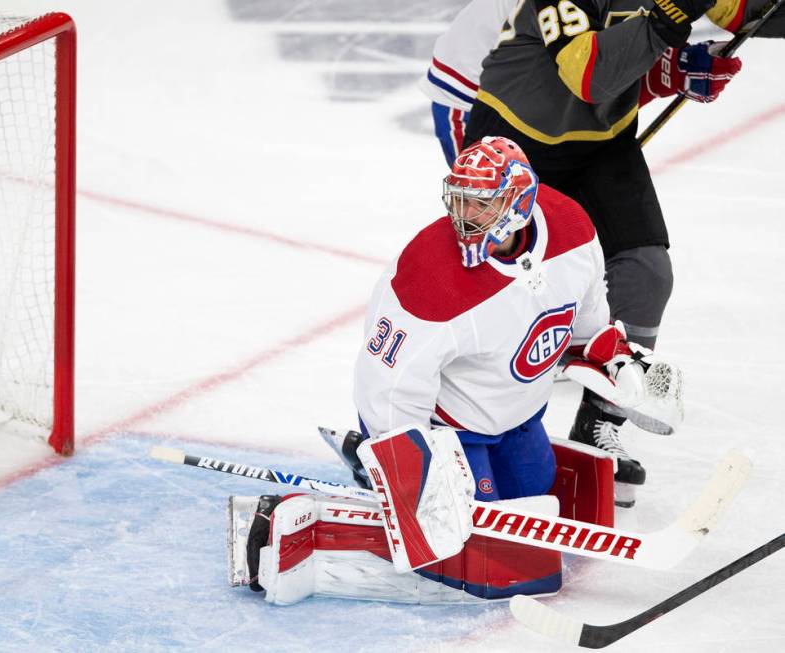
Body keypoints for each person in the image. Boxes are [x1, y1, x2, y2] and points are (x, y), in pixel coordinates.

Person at [236, 137, 678, 605]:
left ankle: (384, 471)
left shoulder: (570, 228)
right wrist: (409, 470)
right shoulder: (430, 278)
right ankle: (357, 482)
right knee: (475, 539)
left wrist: (614, 359)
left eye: (480, 204)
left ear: (519, 202)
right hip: (450, 428)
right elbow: (386, 387)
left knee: (534, 494)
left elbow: (583, 326)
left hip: (519, 416)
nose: (464, 216)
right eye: (460, 200)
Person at [422, 0, 783, 505]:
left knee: (647, 274)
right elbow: (587, 74)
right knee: (499, 284)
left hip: (602, 144)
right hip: (508, 138)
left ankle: (597, 423)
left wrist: (670, 70)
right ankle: (441, 421)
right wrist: (664, 30)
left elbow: (739, 10)